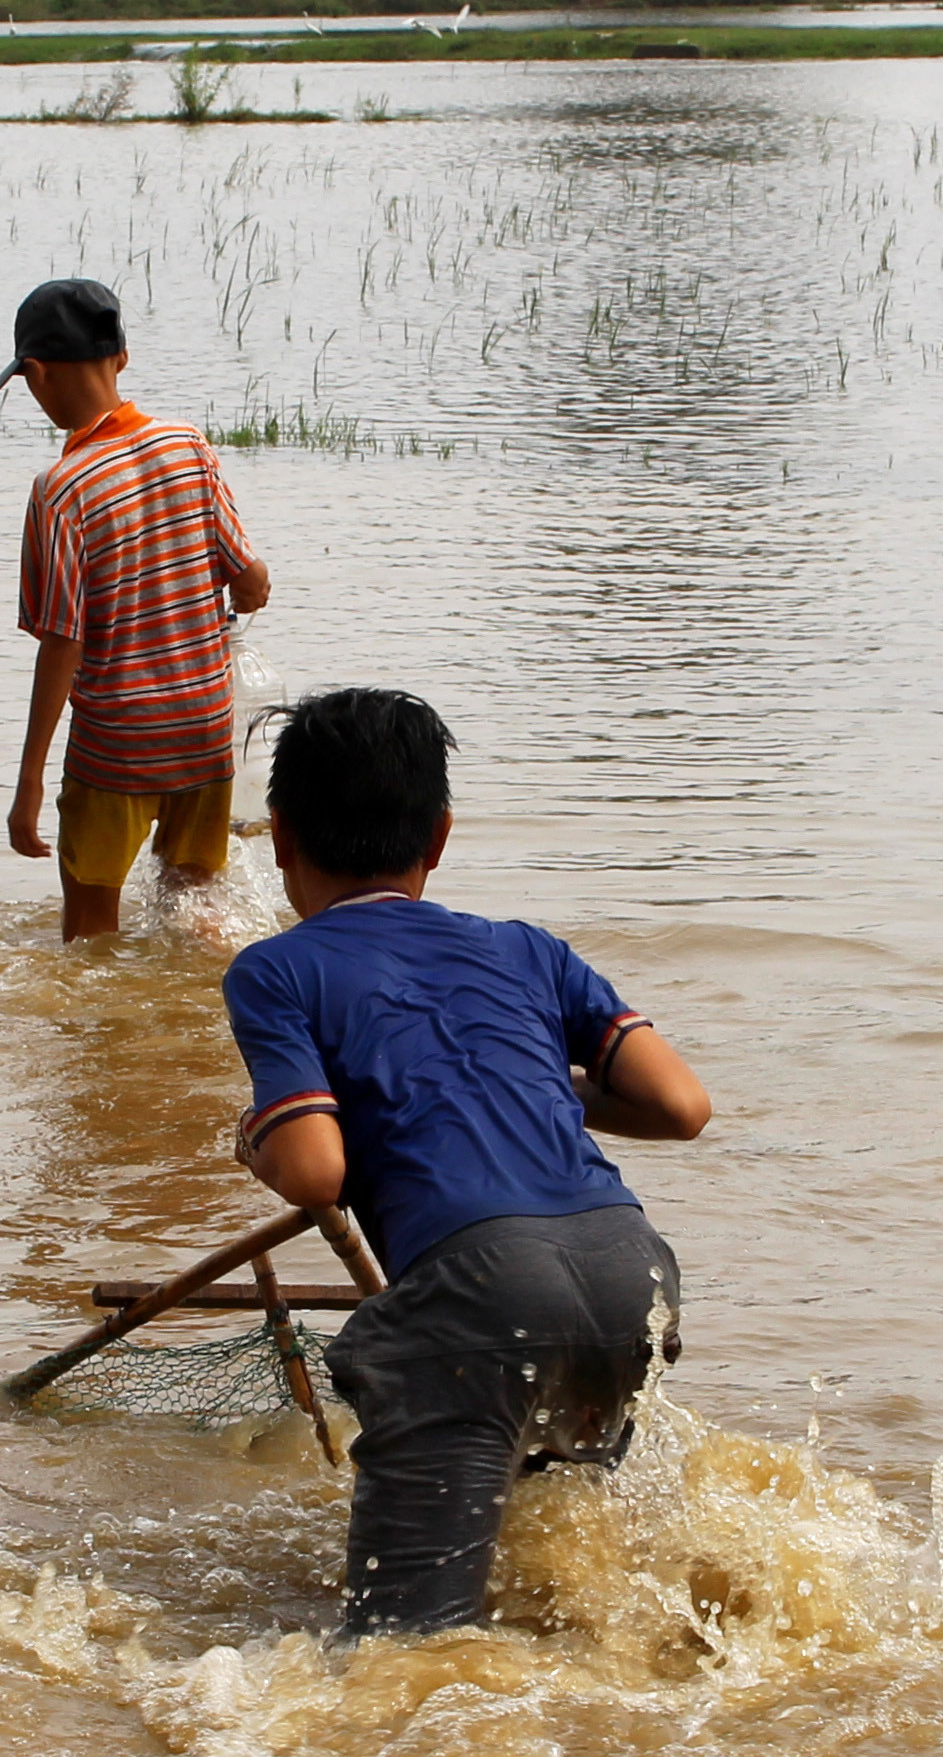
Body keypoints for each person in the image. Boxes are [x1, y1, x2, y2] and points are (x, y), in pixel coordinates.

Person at [223, 689, 715, 1635]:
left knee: (400, 1654)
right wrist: (522, 1080)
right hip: (630, 1273)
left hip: (481, 1299)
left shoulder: (277, 971)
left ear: (279, 836)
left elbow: (316, 1169)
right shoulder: (527, 951)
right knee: (564, 1590)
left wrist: (256, 1142)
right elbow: (681, 1106)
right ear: (439, 836)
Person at [0, 276, 270, 940]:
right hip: (205, 733)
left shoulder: (60, 490)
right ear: (121, 357)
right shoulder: (189, 445)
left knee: (90, 940)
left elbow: (62, 641)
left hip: (116, 746)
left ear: (35, 374)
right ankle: (196, 1025)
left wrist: (28, 782)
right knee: (195, 911)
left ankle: (108, 1044)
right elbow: (252, 578)